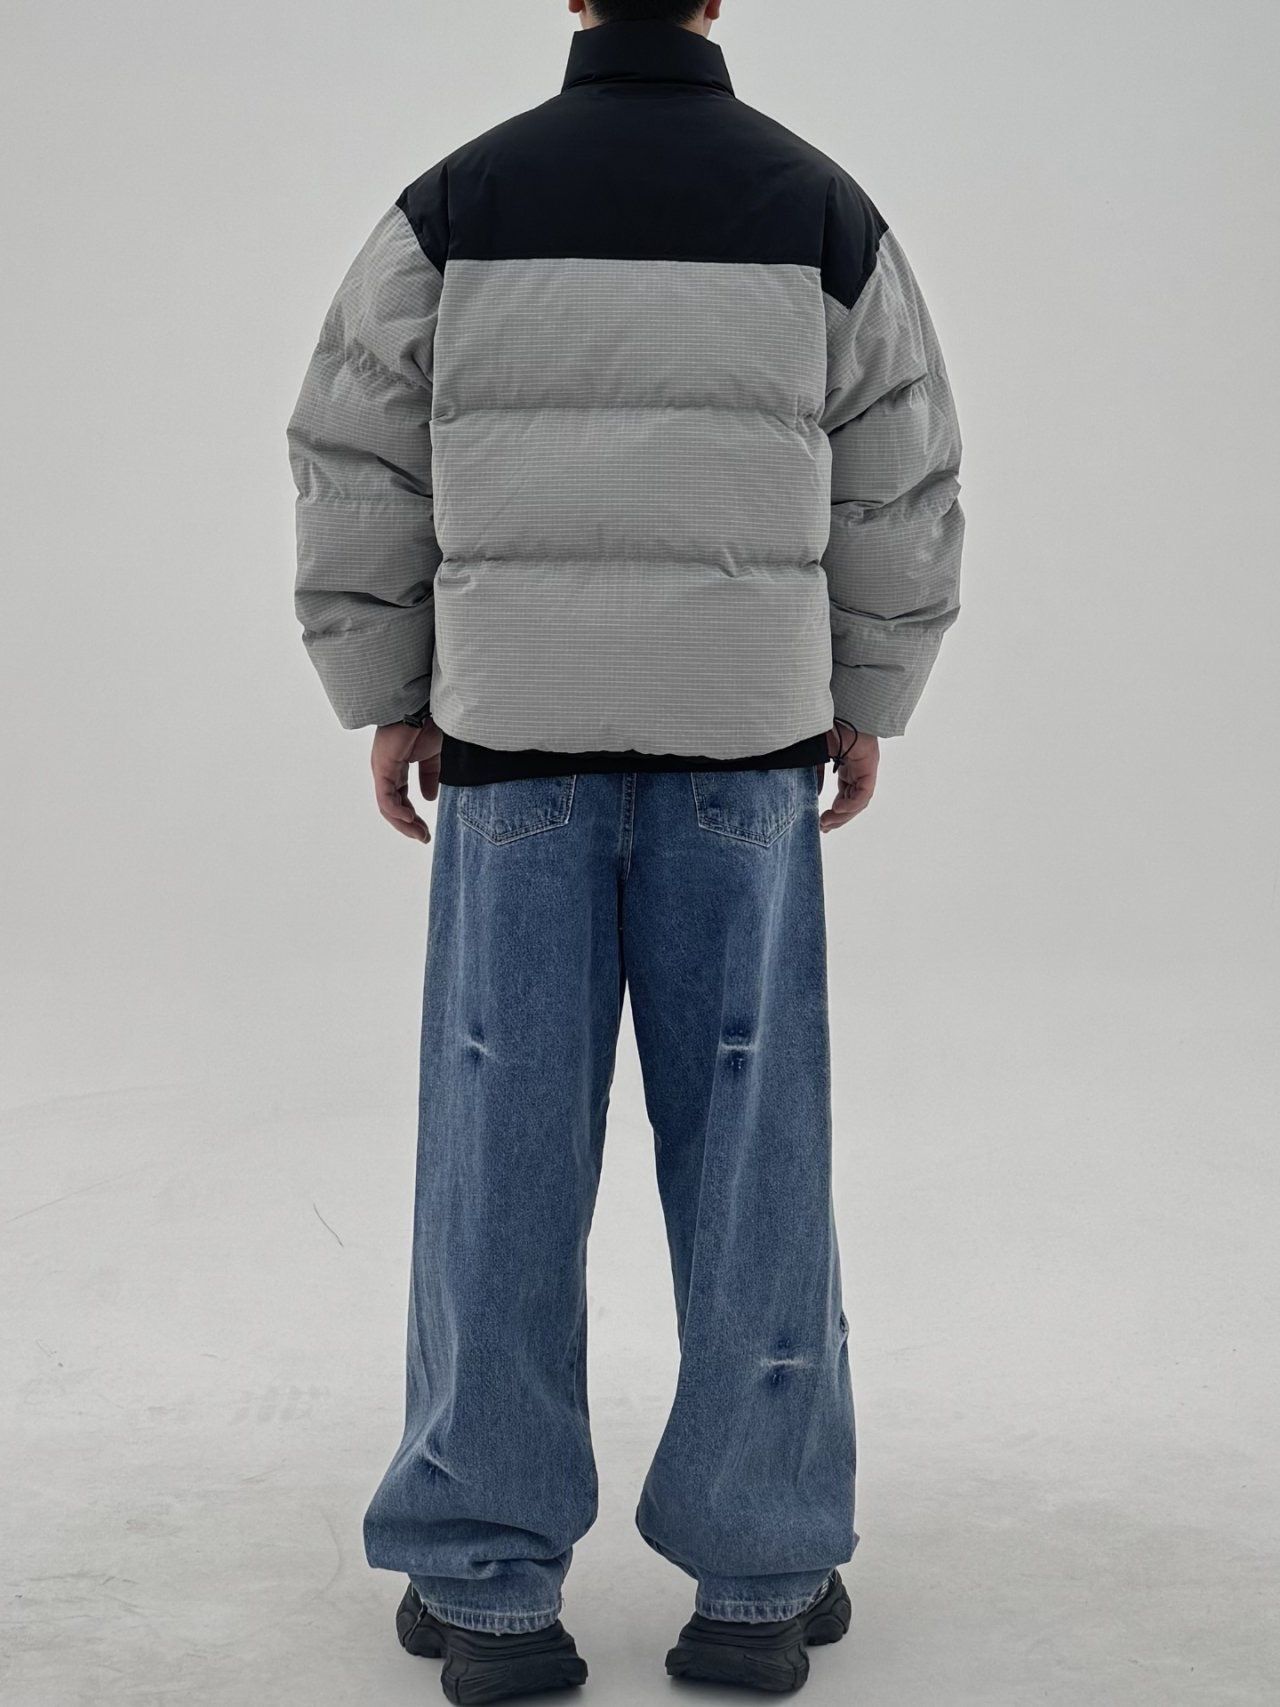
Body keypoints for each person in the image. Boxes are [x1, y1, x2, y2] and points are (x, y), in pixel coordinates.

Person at [288, 0, 963, 1696]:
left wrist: (387, 690)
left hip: (513, 746)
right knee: (755, 1153)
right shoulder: (820, 209)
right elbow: (900, 478)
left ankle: (489, 1591)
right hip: (745, 746)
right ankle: (759, 1580)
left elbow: (354, 453)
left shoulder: (455, 203)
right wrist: (868, 690)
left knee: (499, 1149)